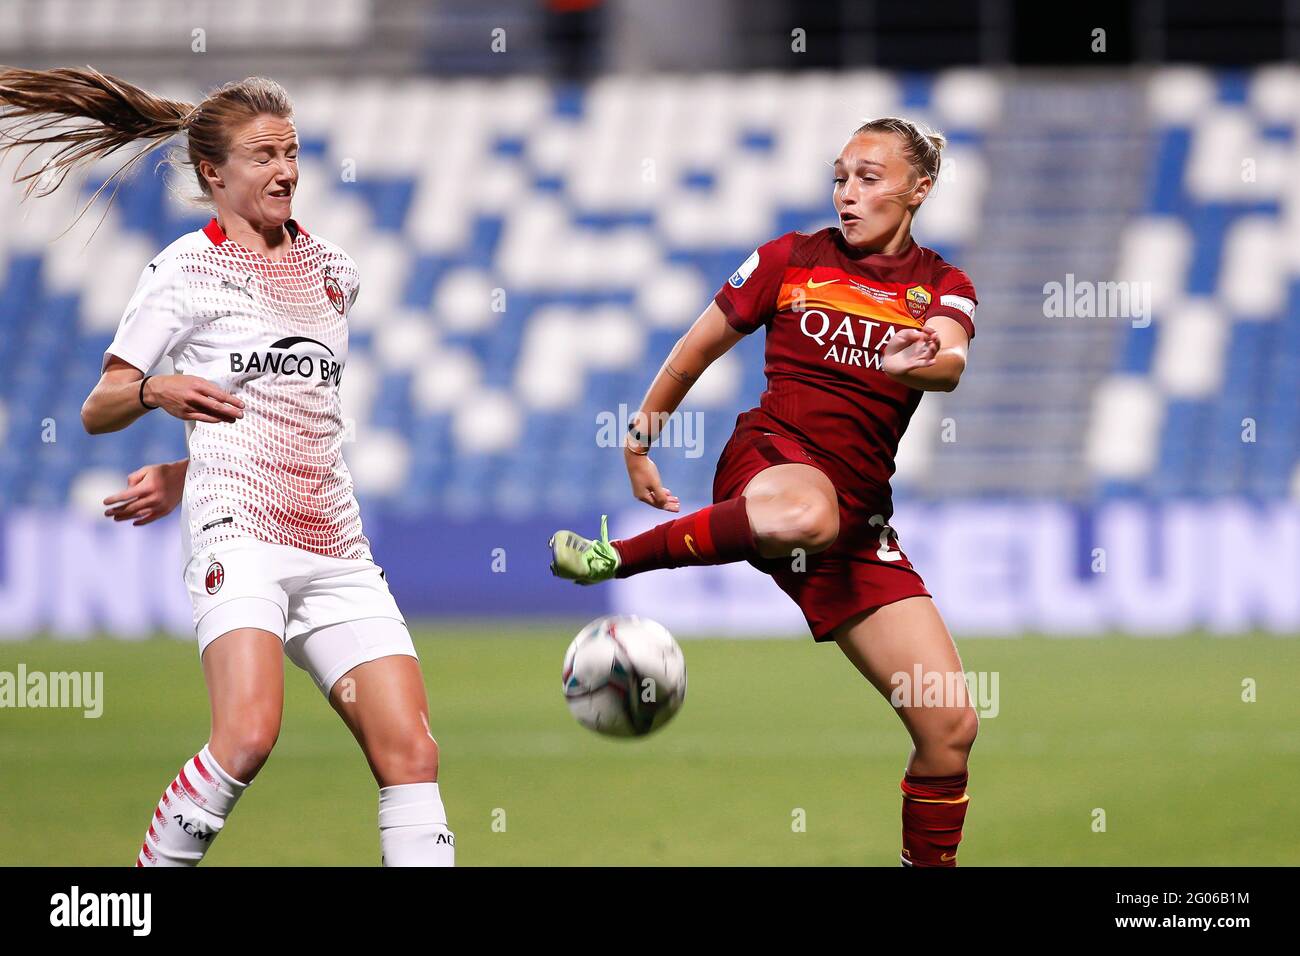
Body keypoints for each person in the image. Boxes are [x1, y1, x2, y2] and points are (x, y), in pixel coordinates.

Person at [0, 66, 454, 866]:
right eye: (262, 156)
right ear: (213, 172)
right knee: (246, 737)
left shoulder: (334, 273)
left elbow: (296, 405)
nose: (285, 171)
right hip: (237, 536)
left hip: (337, 544)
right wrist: (155, 388)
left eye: (292, 152)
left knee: (412, 757)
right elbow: (97, 407)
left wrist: (185, 469)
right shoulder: (183, 271)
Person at [549, 117, 979, 867]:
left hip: (858, 519)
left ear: (920, 189)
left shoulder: (942, 285)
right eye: (839, 176)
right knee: (805, 511)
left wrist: (918, 364)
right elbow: (698, 346)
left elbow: (950, 359)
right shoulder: (791, 259)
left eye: (868, 178)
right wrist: (640, 435)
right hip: (772, 461)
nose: (847, 193)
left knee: (949, 727)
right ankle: (617, 559)